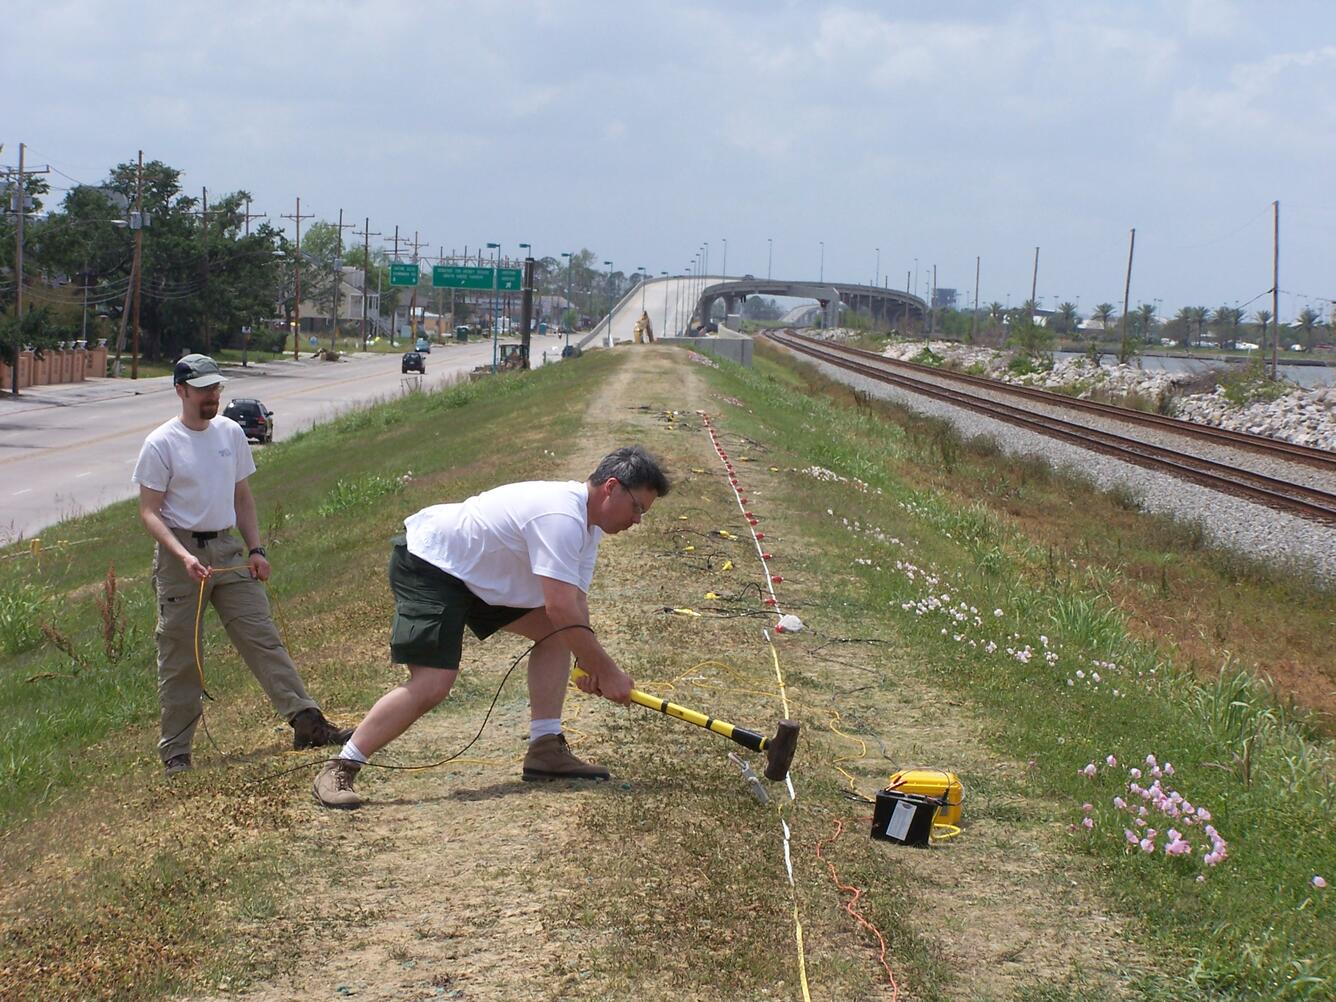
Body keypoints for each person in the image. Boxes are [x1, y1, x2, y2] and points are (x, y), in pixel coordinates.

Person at [313, 445, 671, 809]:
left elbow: (575, 606)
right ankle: (341, 765)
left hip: (476, 577)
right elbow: (561, 607)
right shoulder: (561, 515)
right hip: (431, 563)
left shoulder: (587, 529)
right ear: (611, 487)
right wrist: (607, 671)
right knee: (434, 682)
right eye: (637, 508)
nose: (638, 519)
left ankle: (545, 749)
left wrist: (588, 664)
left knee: (554, 633)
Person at [133, 353, 353, 775]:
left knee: (262, 637)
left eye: (216, 389)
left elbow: (242, 497)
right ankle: (177, 752)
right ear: (181, 391)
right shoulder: (161, 443)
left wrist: (257, 550)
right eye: (203, 390)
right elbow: (149, 511)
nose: (211, 397)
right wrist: (181, 556)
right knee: (181, 654)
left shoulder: (230, 433)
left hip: (229, 553)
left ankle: (307, 721)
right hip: (181, 556)